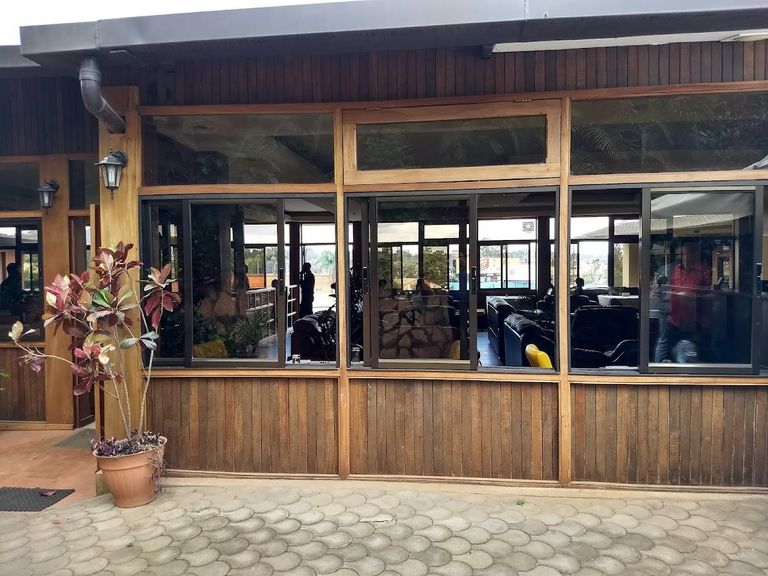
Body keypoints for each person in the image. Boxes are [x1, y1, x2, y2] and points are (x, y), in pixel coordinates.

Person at [660, 241, 712, 363]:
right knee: (672, 357)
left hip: (696, 324)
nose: (680, 258)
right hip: (675, 322)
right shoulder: (676, 270)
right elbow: (670, 290)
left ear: (693, 254)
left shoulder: (704, 270)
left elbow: (712, 294)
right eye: (678, 255)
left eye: (683, 255)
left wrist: (694, 297)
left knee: (694, 359)